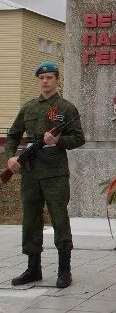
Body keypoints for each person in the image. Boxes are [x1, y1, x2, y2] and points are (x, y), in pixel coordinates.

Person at [6, 61, 85, 288]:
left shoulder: (66, 108)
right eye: (42, 78)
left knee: (59, 218)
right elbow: (12, 135)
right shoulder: (29, 107)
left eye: (49, 77)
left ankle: (64, 269)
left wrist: (59, 140)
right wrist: (11, 157)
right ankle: (33, 268)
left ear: (57, 79)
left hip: (55, 172)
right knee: (31, 218)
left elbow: (79, 138)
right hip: (30, 172)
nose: (45, 81)